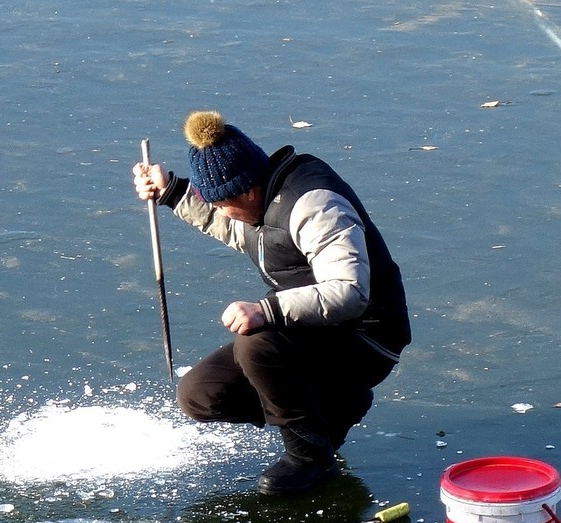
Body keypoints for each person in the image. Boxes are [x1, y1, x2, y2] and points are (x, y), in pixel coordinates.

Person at [133, 110, 410, 496]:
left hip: (365, 338)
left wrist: (266, 310)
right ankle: (333, 408)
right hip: (311, 330)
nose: (219, 210)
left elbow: (349, 292)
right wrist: (173, 192)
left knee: (257, 343)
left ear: (247, 192)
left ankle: (310, 457)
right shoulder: (255, 199)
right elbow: (232, 226)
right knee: (200, 394)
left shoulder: (315, 205)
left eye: (221, 202)